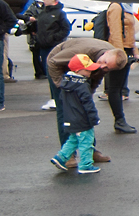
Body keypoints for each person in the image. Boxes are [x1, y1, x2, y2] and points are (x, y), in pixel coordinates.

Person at [45, 37, 126, 166]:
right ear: (105, 54)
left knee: (85, 110)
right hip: (60, 64)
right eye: (104, 62)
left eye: (107, 68)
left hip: (83, 70)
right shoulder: (84, 51)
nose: (103, 66)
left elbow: (96, 77)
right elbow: (53, 62)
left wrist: (87, 95)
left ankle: (89, 151)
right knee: (66, 111)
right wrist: (63, 86)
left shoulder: (108, 61)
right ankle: (68, 156)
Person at [50, 54, 103, 175]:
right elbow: (88, 104)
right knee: (86, 142)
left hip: (70, 118)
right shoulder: (83, 85)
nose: (91, 71)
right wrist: (94, 119)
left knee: (73, 139)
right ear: (79, 71)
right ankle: (85, 164)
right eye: (88, 69)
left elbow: (62, 100)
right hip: (82, 120)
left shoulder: (66, 83)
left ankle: (61, 157)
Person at [23, 0, 71, 111]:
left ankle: (59, 98)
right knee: (49, 73)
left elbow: (66, 29)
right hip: (43, 47)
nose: (43, 0)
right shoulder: (43, 12)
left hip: (53, 47)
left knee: (55, 73)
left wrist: (54, 38)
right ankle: (54, 98)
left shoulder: (60, 13)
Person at [98, 2, 139, 133]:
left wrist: (135, 52)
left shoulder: (126, 8)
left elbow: (129, 32)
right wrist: (120, 56)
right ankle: (119, 120)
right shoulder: (117, 7)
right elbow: (115, 33)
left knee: (118, 87)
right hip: (118, 52)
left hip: (125, 51)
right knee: (115, 88)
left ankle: (120, 120)